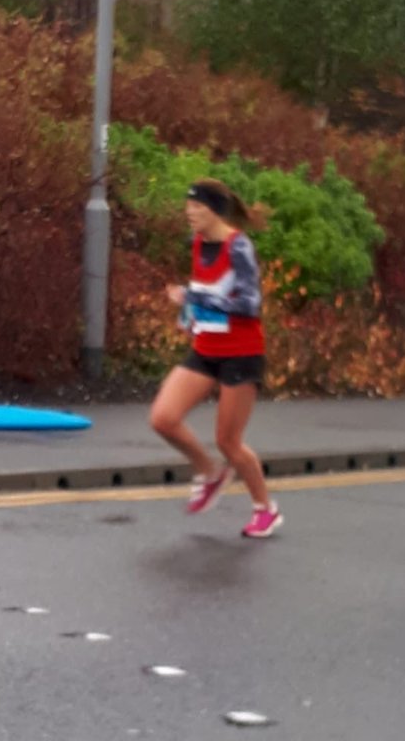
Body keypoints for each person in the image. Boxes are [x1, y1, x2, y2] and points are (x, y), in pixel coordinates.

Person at [148, 178, 282, 539]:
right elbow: (205, 288)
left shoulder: (239, 246)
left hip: (241, 354)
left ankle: (265, 509)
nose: (189, 213)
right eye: (188, 206)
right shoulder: (197, 243)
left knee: (229, 442)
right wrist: (188, 316)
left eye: (197, 207)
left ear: (216, 211)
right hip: (206, 348)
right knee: (163, 419)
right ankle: (210, 473)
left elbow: (249, 303)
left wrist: (194, 297)